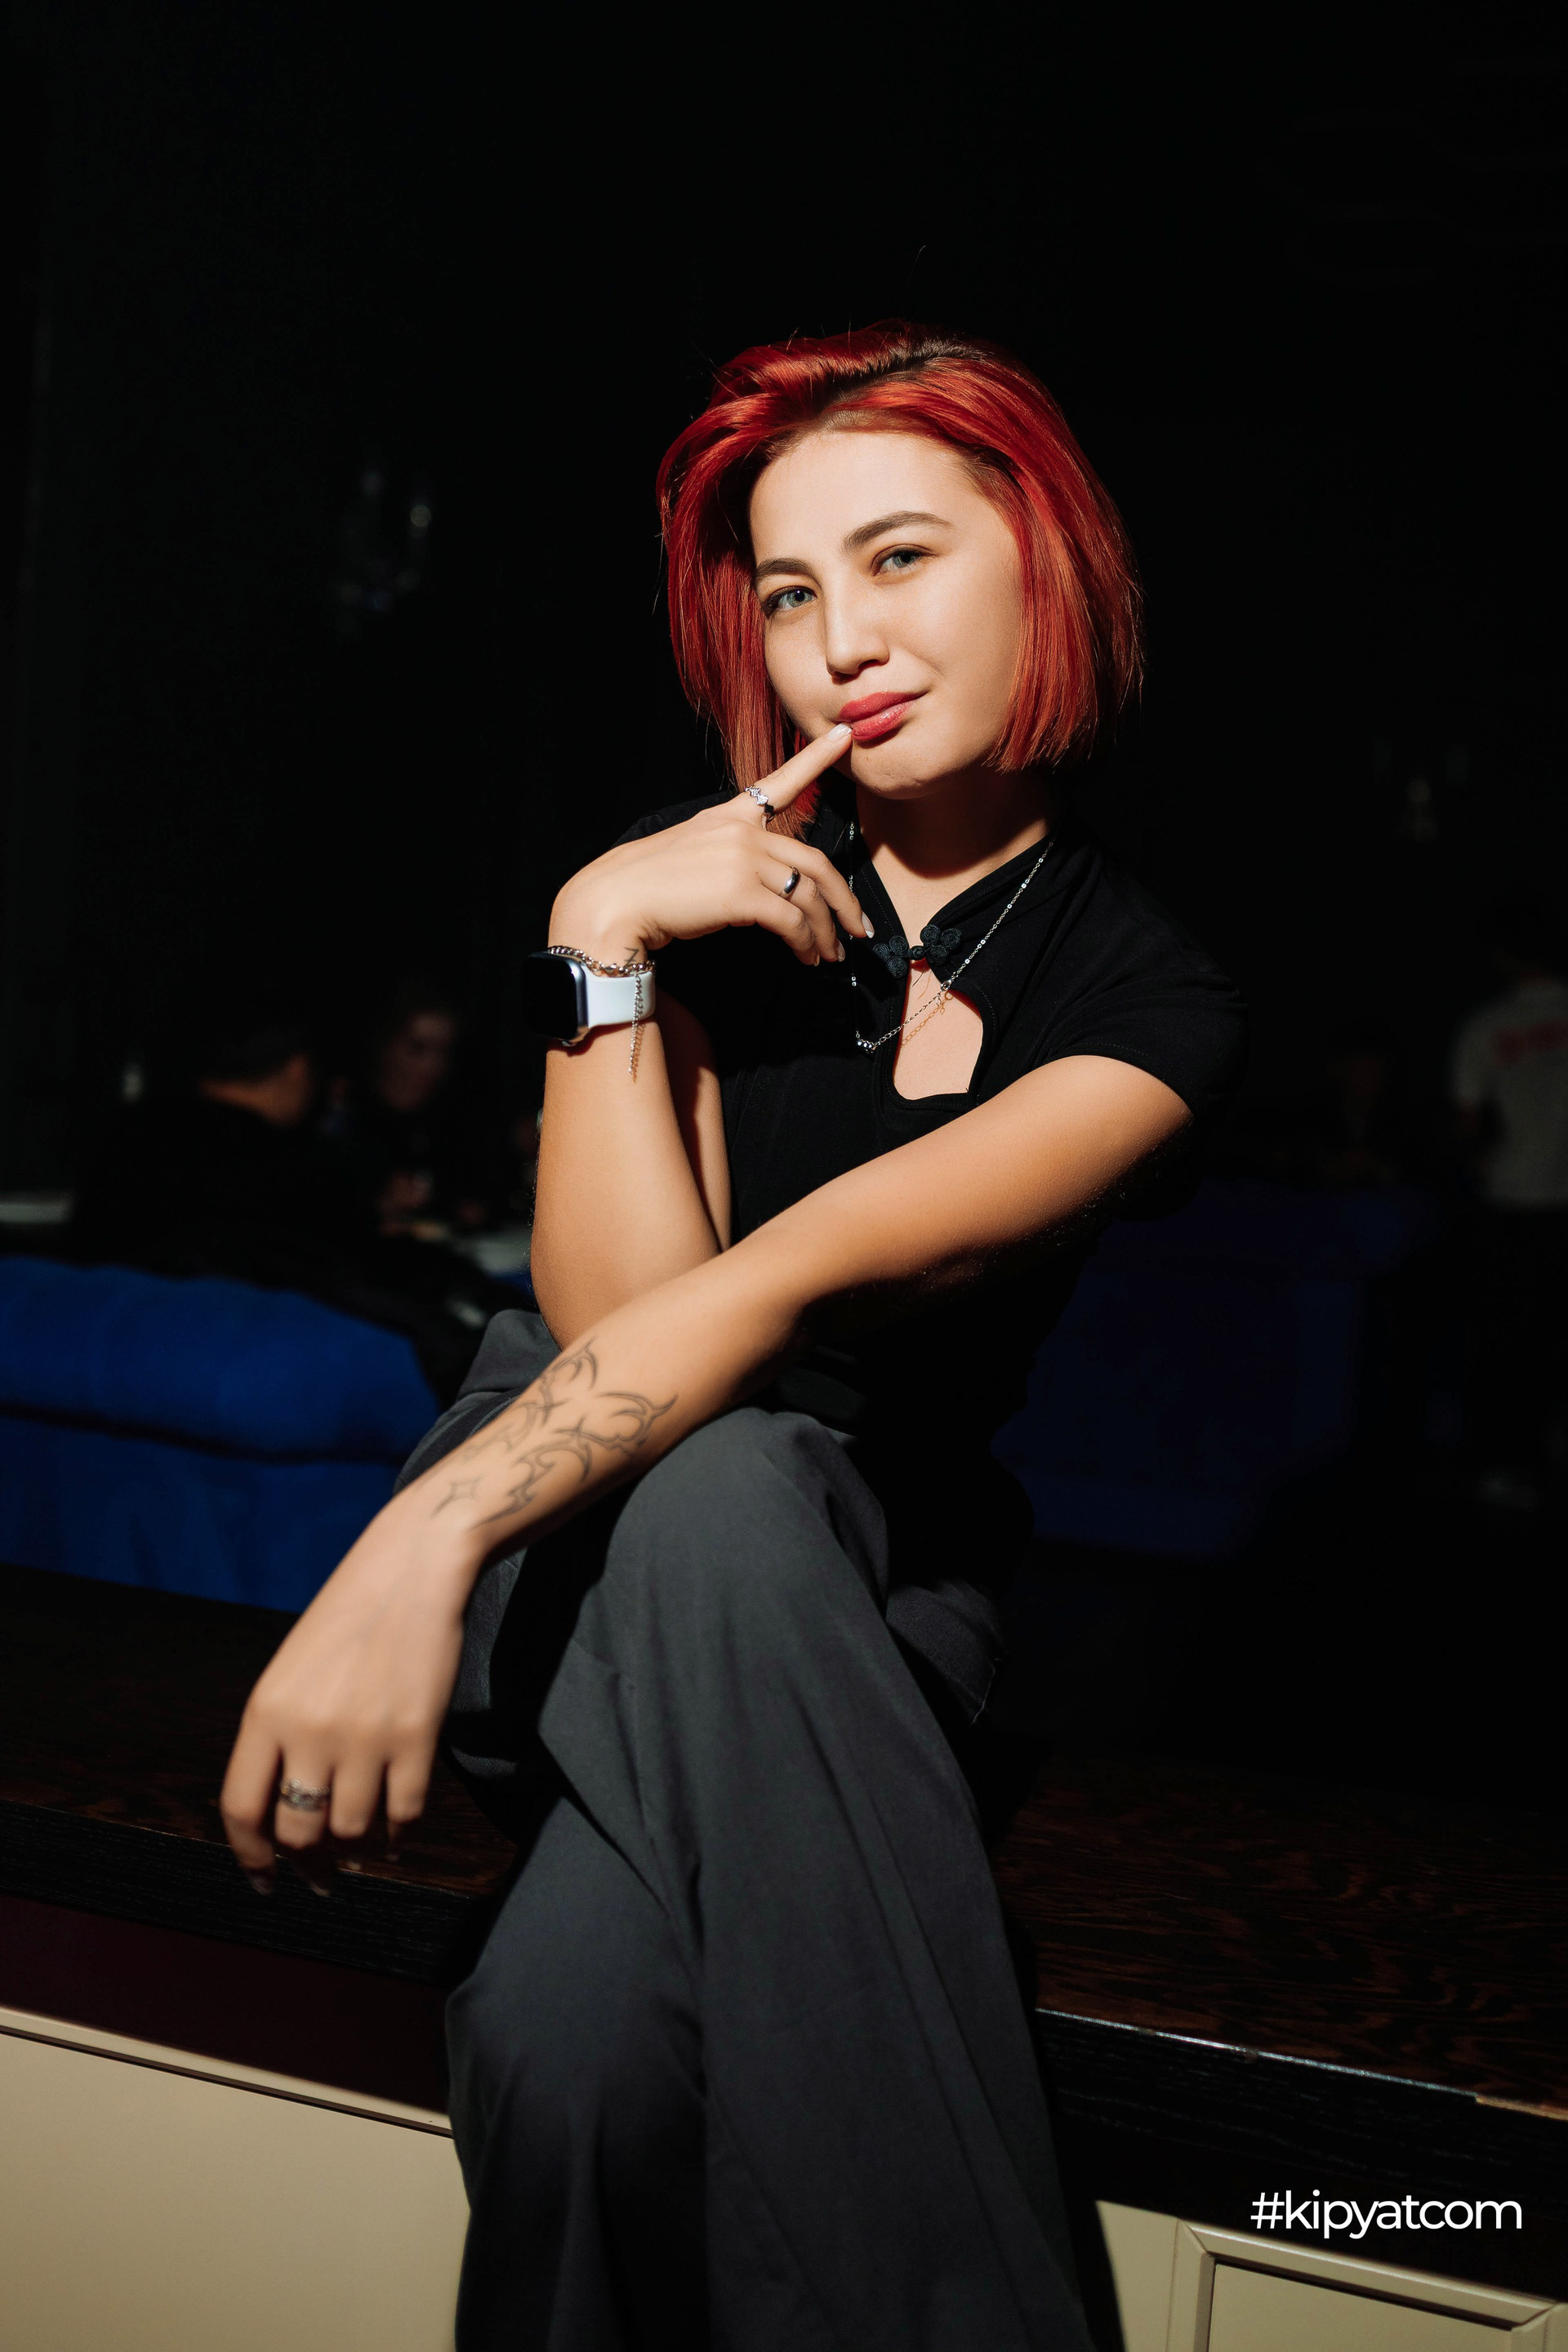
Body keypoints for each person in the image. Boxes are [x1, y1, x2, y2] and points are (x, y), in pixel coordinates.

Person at [220, 323, 1245, 2349]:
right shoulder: (701, 907)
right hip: (585, 1545)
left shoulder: (1152, 1003)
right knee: (719, 1484)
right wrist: (600, 938)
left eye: (899, 557)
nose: (837, 639)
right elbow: (614, 1320)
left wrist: (419, 1533)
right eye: (788, 592)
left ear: (1049, 561)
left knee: (567, 2042)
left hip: (854, 1584)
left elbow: (766, 1295)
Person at [73, 1000, 517, 1405]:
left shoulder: (129, 1133)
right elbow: (345, 1258)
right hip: (230, 1356)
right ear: (298, 1070)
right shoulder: (274, 1158)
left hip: (103, 1337)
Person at [1451, 895, 1568, 1508]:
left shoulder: (1487, 1025)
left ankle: (1508, 1466)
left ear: (1502, 956)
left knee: (1509, 1343)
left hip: (1513, 1202)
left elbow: (1468, 1123)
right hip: (1538, 1204)